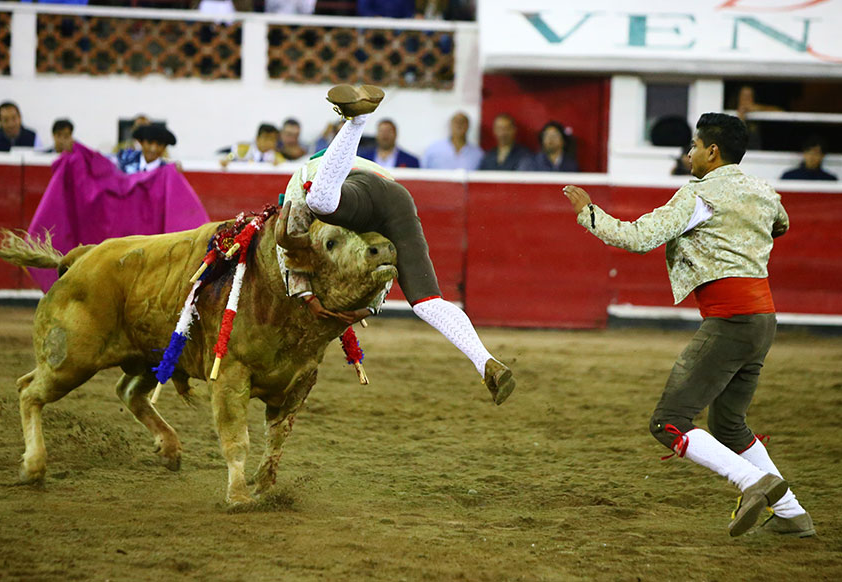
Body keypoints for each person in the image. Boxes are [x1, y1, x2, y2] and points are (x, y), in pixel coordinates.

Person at [562, 112, 814, 538]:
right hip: (762, 321)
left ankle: (752, 481)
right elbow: (781, 224)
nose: (688, 153)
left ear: (713, 152)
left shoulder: (699, 196)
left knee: (669, 421)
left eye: (694, 146)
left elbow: (639, 238)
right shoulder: (763, 190)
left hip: (730, 321)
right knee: (729, 425)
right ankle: (792, 514)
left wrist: (590, 213)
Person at [278, 84, 515, 405]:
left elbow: (288, 245)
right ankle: (485, 361)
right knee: (428, 302)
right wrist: (371, 305)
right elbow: (384, 259)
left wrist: (306, 296)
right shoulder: (323, 178)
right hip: (397, 198)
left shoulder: (299, 183)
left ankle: (356, 121)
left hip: (363, 193)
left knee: (319, 200)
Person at [221, 123, 286, 166]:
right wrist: (227, 160)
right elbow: (231, 155)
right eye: (266, 138)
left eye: (272, 139)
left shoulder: (277, 157)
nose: (268, 142)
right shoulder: (243, 149)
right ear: (257, 139)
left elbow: (283, 166)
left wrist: (277, 165)